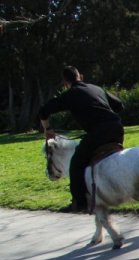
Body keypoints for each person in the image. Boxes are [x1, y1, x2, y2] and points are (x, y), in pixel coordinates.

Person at [39, 66, 125, 212]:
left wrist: (48, 129)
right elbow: (119, 106)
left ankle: (79, 203)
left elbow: (43, 111)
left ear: (65, 82)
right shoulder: (97, 88)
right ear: (81, 76)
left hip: (99, 132)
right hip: (117, 129)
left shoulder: (70, 94)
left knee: (76, 163)